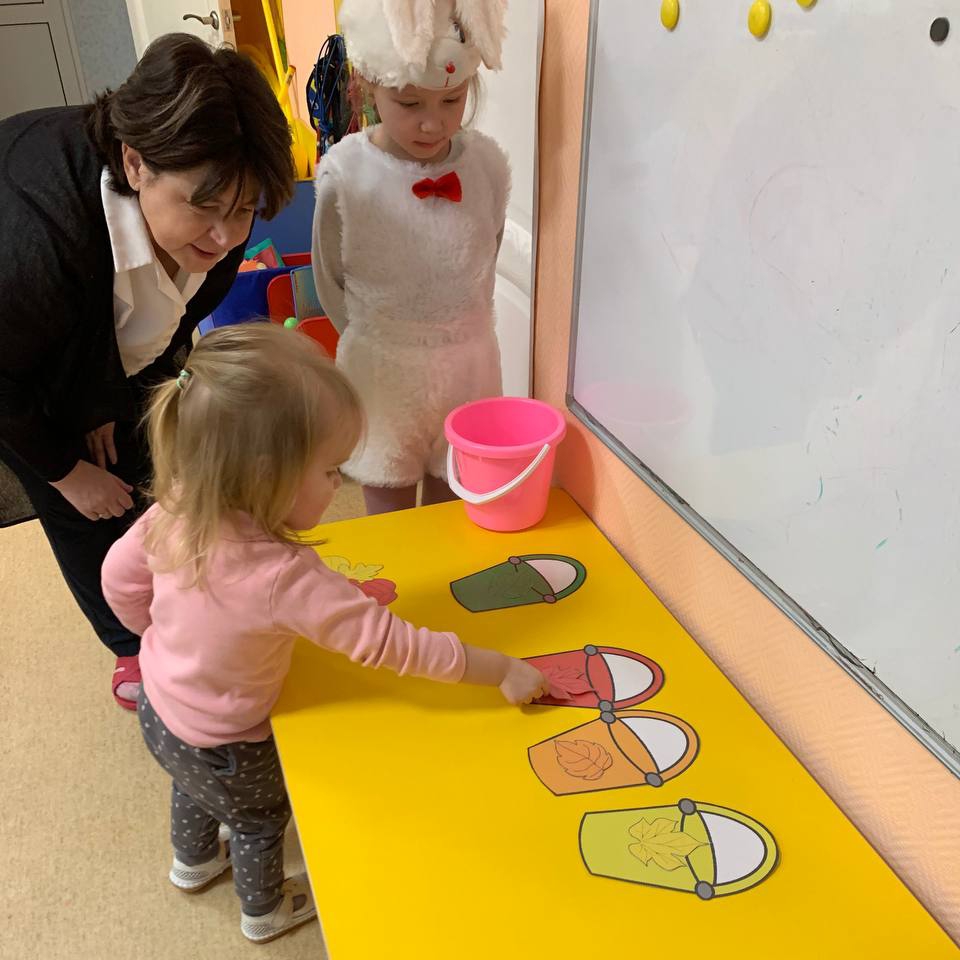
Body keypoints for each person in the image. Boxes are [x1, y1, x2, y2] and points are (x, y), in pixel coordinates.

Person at [100, 324, 548, 943]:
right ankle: (264, 911)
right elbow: (395, 645)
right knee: (259, 822)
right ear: (267, 477)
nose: (339, 486)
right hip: (232, 742)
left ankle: (193, 861)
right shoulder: (283, 577)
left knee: (193, 785)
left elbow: (118, 579)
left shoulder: (176, 504)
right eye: (331, 470)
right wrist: (500, 668)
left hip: (158, 709)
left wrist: (157, 636)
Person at [0, 34, 296, 711]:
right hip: (13, 362)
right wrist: (67, 473)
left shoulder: (216, 221)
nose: (226, 237)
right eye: (205, 208)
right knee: (83, 502)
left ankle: (178, 609)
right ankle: (129, 646)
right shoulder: (33, 244)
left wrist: (105, 396)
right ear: (135, 163)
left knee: (143, 461)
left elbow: (163, 329)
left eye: (244, 210)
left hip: (84, 328)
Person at [312, 0, 510, 516]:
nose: (431, 123)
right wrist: (375, 339)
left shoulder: (486, 167)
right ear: (368, 84)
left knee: (451, 514)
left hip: (467, 369)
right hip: (383, 373)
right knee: (391, 521)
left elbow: (485, 261)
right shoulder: (347, 175)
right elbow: (329, 279)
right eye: (408, 102)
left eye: (452, 101)